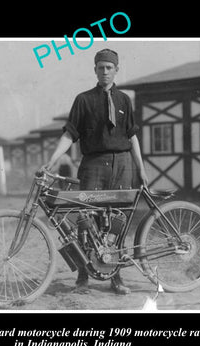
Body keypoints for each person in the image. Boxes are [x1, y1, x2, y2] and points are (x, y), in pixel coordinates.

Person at [42, 48, 149, 295]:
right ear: (95, 70)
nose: (104, 72)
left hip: (122, 164)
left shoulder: (124, 100)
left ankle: (116, 276)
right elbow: (70, 134)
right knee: (85, 220)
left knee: (118, 221)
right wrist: (52, 160)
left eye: (109, 67)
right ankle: (82, 275)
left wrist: (141, 170)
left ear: (116, 70)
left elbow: (132, 137)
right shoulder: (83, 99)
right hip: (93, 166)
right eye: (100, 67)